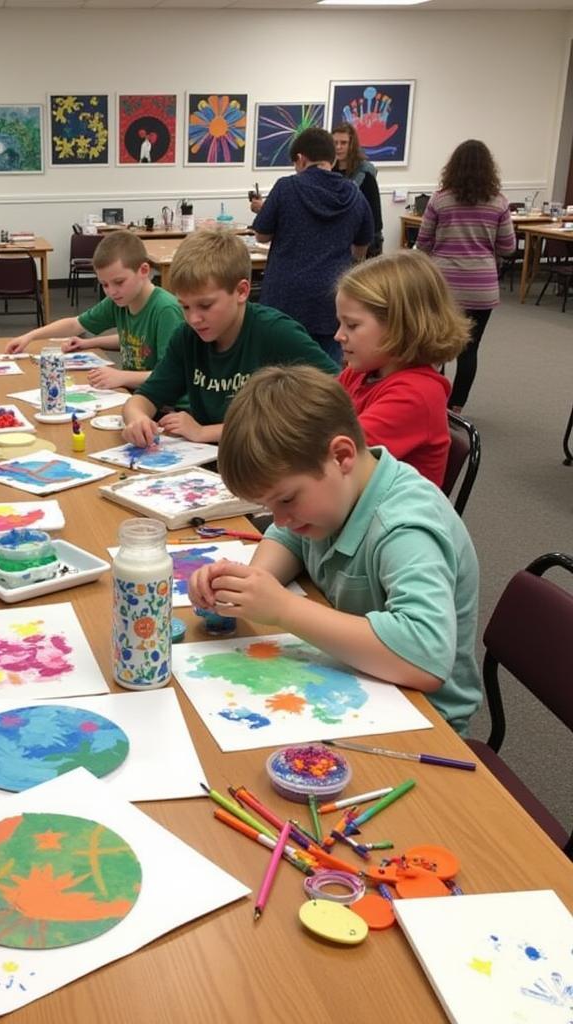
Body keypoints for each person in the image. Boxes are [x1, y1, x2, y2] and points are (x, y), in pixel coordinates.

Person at [188, 365, 481, 734]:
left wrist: (282, 608)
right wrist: (253, 580)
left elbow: (426, 658)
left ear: (341, 455)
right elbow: (290, 538)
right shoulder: (335, 496)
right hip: (361, 680)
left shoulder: (405, 528)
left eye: (286, 499)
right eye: (270, 507)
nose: (278, 519)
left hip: (424, 719)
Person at [121, 229, 337, 448]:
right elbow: (144, 398)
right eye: (185, 306)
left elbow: (339, 394)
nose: (193, 319)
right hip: (210, 460)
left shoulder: (276, 333)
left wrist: (205, 431)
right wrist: (137, 419)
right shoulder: (187, 338)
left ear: (242, 291)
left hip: (267, 463)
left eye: (205, 306)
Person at [335, 250, 469, 487]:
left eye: (352, 325)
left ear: (400, 325)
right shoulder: (362, 372)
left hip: (382, 519)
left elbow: (334, 456)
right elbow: (314, 417)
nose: (339, 335)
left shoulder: (416, 395)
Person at [5, 230, 183, 391]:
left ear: (144, 270)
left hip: (167, 407)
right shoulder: (120, 300)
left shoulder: (166, 310)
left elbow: (170, 375)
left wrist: (122, 376)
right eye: (104, 285)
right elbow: (76, 325)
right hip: (138, 393)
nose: (111, 291)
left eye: (119, 282)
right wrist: (30, 336)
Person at [251, 127, 373, 362]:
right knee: (325, 374)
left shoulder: (287, 187)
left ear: (300, 159)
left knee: (279, 373)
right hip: (333, 296)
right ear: (333, 158)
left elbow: (261, 236)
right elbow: (360, 250)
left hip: (285, 296)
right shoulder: (355, 195)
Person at [415, 139, 515, 413]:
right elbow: (508, 248)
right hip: (481, 286)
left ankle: (429, 400)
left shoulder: (440, 199)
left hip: (444, 286)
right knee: (469, 349)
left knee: (434, 346)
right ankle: (456, 407)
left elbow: (423, 242)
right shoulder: (499, 202)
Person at [332, 122, 383, 257]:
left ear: (352, 145)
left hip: (359, 243)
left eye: (343, 143)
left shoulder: (365, 174)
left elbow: (375, 218)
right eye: (335, 143)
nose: (338, 147)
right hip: (333, 242)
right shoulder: (328, 171)